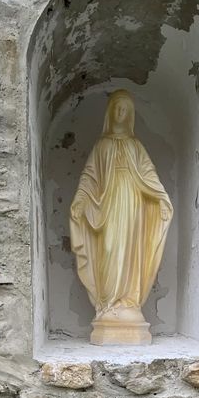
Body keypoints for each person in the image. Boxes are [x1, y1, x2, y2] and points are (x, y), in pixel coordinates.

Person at [70, 89, 173, 344]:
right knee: (109, 248)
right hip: (108, 205)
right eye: (117, 108)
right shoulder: (102, 145)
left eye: (125, 109)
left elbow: (148, 175)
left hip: (133, 203)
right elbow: (89, 177)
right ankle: (108, 303)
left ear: (130, 115)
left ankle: (128, 302)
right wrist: (81, 200)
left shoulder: (136, 146)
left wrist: (161, 198)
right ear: (110, 112)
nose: (120, 113)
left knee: (130, 253)